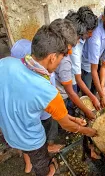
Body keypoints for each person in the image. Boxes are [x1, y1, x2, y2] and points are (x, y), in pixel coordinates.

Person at [0, 19, 97, 176]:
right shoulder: (48, 92)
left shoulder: (5, 63)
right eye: (60, 58)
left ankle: (28, 164)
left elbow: (63, 118)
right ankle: (48, 171)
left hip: (9, 133)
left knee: (28, 152)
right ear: (52, 57)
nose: (60, 62)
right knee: (42, 165)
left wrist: (72, 119)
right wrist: (88, 131)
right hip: (32, 141)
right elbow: (66, 126)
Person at [10, 39, 65, 173]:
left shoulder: (17, 73)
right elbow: (64, 120)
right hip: (38, 119)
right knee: (38, 146)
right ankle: (48, 168)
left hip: (20, 127)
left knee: (27, 145)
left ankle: (28, 164)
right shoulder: (40, 78)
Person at [53, 7, 98, 121]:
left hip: (64, 80)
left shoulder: (66, 47)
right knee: (67, 102)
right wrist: (88, 109)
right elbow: (71, 90)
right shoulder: (69, 56)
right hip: (64, 86)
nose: (78, 42)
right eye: (89, 32)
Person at [66, 6, 101, 112]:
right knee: (71, 99)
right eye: (89, 32)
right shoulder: (74, 48)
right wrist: (93, 97)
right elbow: (78, 79)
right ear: (81, 29)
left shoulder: (81, 36)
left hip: (73, 72)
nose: (91, 35)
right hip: (70, 78)